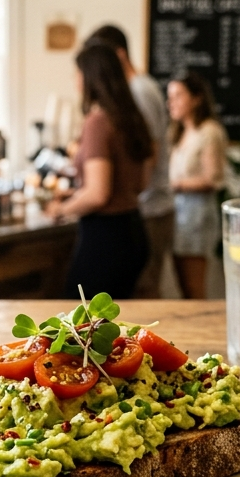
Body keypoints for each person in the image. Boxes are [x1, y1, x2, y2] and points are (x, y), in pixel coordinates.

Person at [46, 43, 154, 299]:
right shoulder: (131, 118)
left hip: (106, 239)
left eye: (78, 73)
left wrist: (60, 209)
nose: (75, 80)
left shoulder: (97, 122)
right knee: (112, 328)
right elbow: (139, 184)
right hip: (134, 230)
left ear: (90, 78)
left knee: (79, 324)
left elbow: (98, 194)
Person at [83, 25, 174, 298]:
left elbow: (148, 153)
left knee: (144, 300)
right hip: (142, 208)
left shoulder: (139, 92)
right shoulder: (135, 91)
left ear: (119, 55)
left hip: (148, 208)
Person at [165, 72, 228, 299]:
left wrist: (176, 184)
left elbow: (213, 179)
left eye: (178, 95)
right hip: (178, 214)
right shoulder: (179, 132)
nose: (171, 102)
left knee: (194, 287)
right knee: (181, 283)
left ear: (196, 98)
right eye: (169, 96)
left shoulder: (209, 131)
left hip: (197, 216)